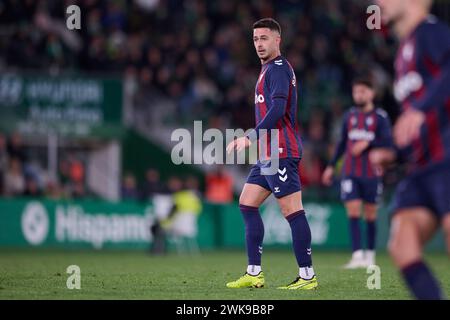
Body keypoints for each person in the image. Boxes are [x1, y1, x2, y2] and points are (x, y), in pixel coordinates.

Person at [225, 18, 317, 290]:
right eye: (255, 39)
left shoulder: (278, 69)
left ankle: (307, 276)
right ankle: (254, 273)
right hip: (268, 152)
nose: (259, 44)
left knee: (292, 211)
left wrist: (250, 136)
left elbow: (278, 110)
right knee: (247, 203)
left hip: (280, 150)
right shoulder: (268, 70)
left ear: (278, 40)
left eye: (264, 38)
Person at [372, 0, 450, 299]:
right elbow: (417, 120)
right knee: (402, 245)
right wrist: (394, 151)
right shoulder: (403, 52)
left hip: (446, 158)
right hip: (421, 165)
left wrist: (420, 107)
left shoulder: (431, 33)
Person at [322, 77, 393, 268]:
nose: (358, 95)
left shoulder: (380, 117)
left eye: (362, 91)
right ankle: (357, 256)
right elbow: (342, 143)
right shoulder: (349, 116)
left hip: (372, 173)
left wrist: (369, 143)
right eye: (356, 91)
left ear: (372, 93)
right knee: (353, 210)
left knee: (370, 214)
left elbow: (389, 144)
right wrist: (331, 166)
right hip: (350, 171)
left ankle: (369, 255)